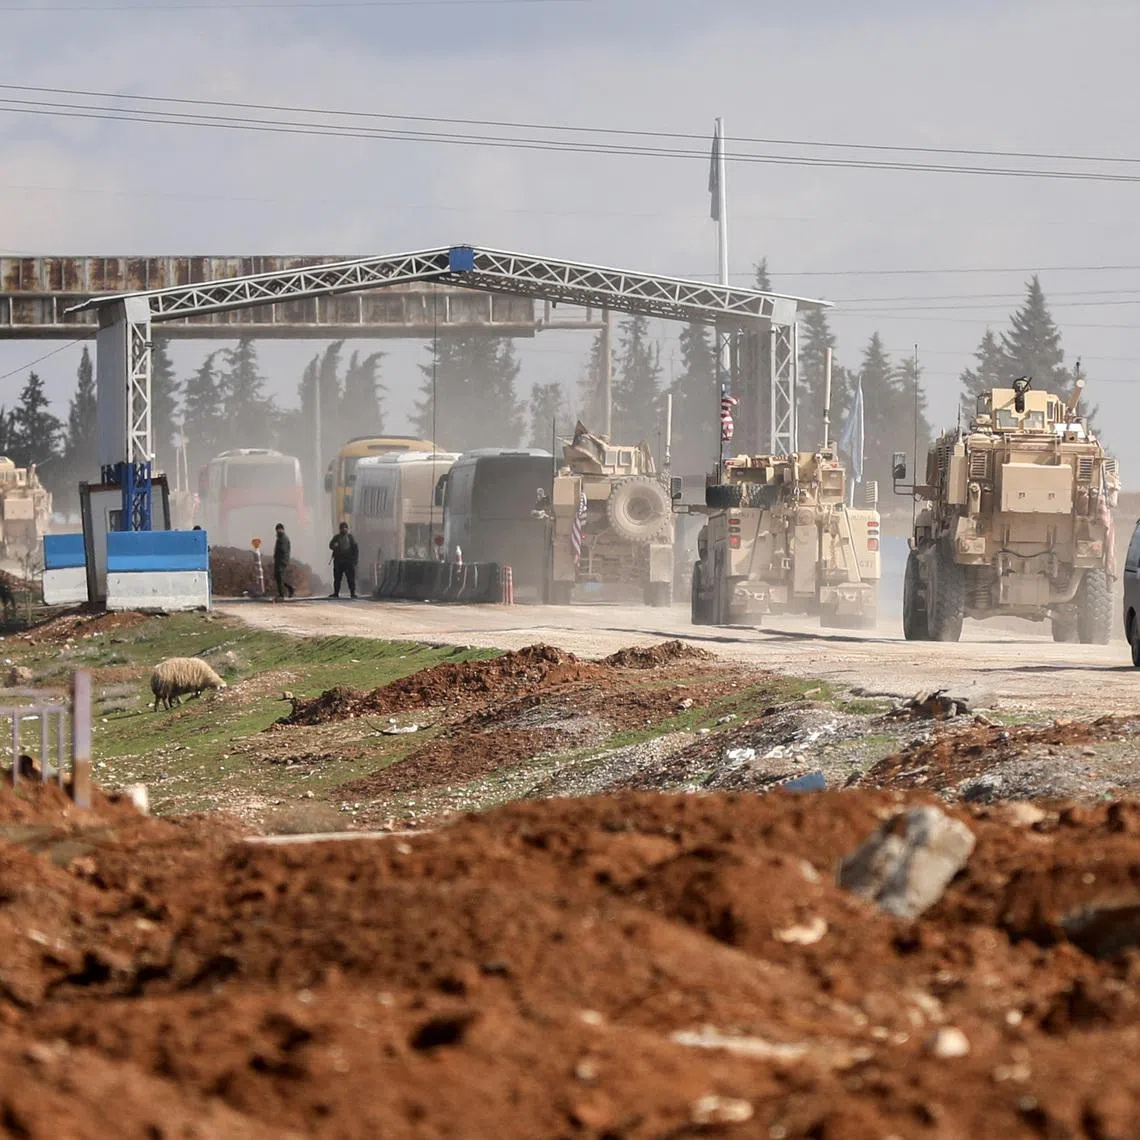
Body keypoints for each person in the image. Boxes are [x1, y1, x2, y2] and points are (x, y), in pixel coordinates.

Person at [329, 521, 359, 599]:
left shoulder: (350, 538)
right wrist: (334, 545)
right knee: (337, 578)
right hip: (339, 561)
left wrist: (355, 560)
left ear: (347, 529)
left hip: (348, 561)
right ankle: (336, 593)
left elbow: (355, 549)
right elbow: (331, 545)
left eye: (345, 528)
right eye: (342, 528)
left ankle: (352, 593)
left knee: (350, 578)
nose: (344, 529)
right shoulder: (337, 537)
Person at [273, 523, 294, 600]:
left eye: (279, 529)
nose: (277, 531)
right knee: (278, 577)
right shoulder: (280, 537)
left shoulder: (283, 538)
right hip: (279, 560)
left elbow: (283, 550)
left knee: (279, 577)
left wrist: (280, 557)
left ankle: (282, 594)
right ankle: (290, 588)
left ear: (282, 529)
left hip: (282, 560)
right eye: (277, 530)